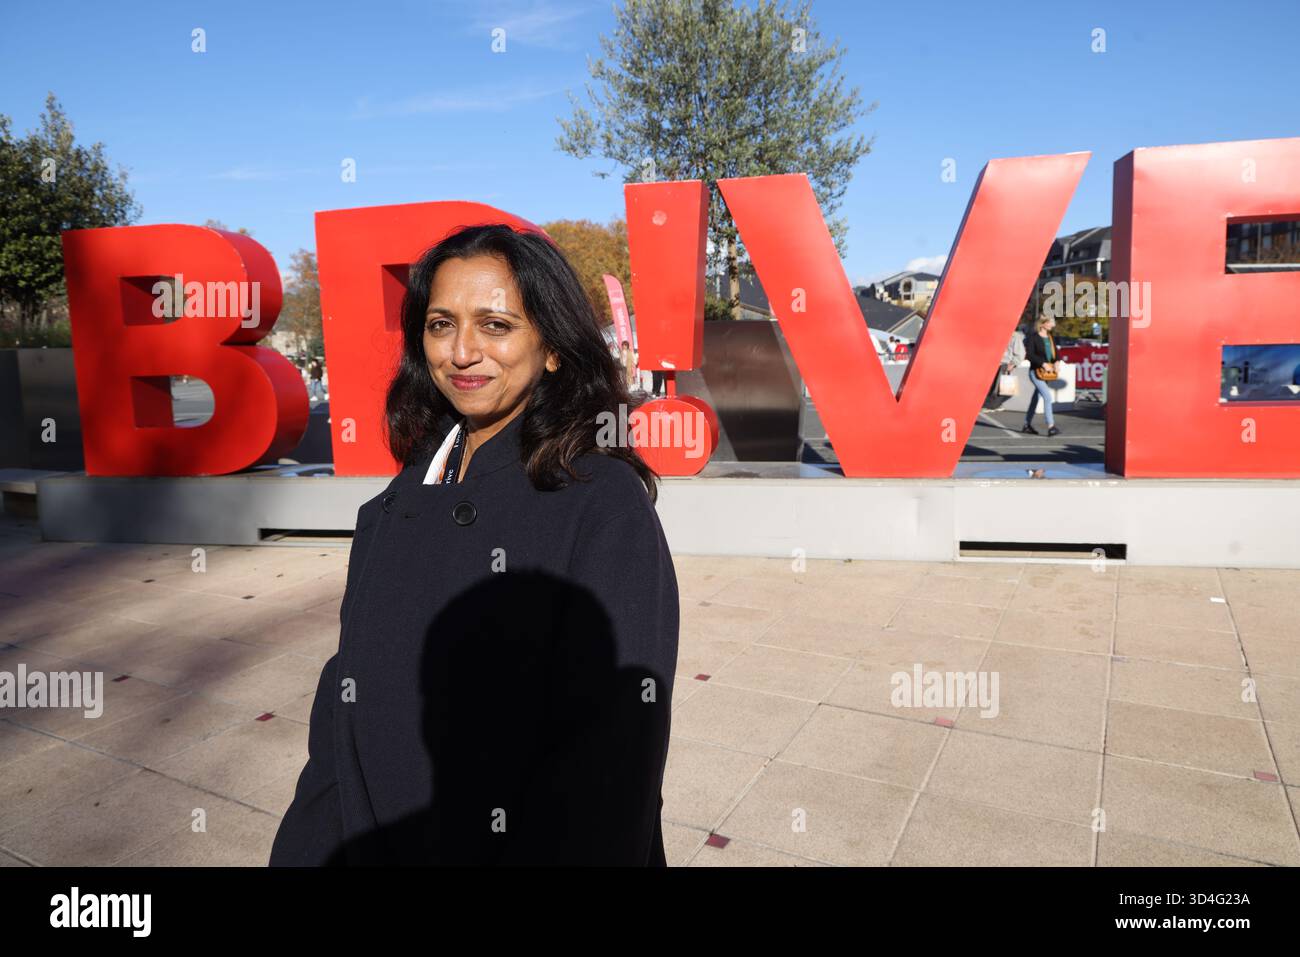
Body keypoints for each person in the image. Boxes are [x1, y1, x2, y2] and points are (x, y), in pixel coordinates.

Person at [269, 224, 679, 866]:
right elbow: (345, 705)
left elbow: (614, 765)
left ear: (551, 348)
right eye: (440, 324)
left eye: (495, 325)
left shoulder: (601, 502)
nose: (462, 352)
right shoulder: (404, 493)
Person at [1023, 314, 1062, 436]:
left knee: (1036, 398)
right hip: (1036, 372)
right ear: (1043, 323)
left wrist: (1057, 361)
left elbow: (1056, 353)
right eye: (1051, 322)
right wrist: (1043, 363)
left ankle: (1026, 424)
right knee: (1047, 397)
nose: (1053, 324)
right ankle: (1051, 426)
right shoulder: (1033, 338)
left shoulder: (1050, 337)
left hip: (1046, 374)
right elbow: (1029, 354)